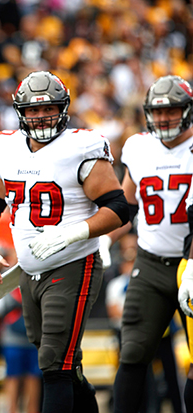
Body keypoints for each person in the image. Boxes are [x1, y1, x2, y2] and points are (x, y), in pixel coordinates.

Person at [0, 70, 129, 413]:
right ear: (20, 112)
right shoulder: (7, 146)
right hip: (29, 272)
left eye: (48, 108)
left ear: (63, 109)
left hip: (74, 263)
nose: (40, 116)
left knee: (53, 361)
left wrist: (72, 232)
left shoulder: (81, 146)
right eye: (32, 110)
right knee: (61, 362)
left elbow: (119, 208)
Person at [98, 75, 193, 413]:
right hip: (151, 264)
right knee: (133, 352)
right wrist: (103, 240)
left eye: (172, 111)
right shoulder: (138, 146)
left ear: (187, 110)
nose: (164, 118)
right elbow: (128, 206)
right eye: (158, 112)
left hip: (192, 263)